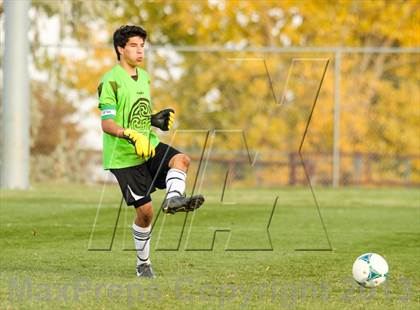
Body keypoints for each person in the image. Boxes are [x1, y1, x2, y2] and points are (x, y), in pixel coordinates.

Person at [97, 25, 205, 278]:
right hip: (124, 158)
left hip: (149, 145)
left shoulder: (144, 77)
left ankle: (174, 198)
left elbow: (139, 114)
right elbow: (107, 123)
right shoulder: (109, 81)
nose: (139, 51)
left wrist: (153, 121)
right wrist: (129, 134)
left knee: (181, 159)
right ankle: (143, 264)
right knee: (145, 213)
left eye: (142, 46)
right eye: (133, 45)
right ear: (120, 48)